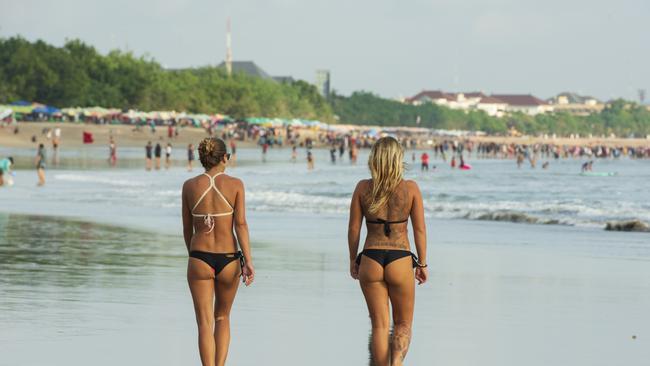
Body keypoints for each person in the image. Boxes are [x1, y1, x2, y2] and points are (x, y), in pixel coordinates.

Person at [347, 137, 428, 366]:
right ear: (398, 159)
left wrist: (353, 259)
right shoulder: (410, 188)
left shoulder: (363, 187)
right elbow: (419, 229)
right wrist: (422, 263)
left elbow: (353, 228)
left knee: (380, 326)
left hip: (371, 257)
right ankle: (397, 363)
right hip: (400, 257)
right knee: (403, 324)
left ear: (375, 158)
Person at [182, 137, 254, 366]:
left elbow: (187, 228)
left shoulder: (190, 186)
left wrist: (193, 255)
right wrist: (249, 261)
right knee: (222, 318)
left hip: (199, 257)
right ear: (224, 158)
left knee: (204, 323)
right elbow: (240, 224)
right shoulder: (235, 184)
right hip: (229, 259)